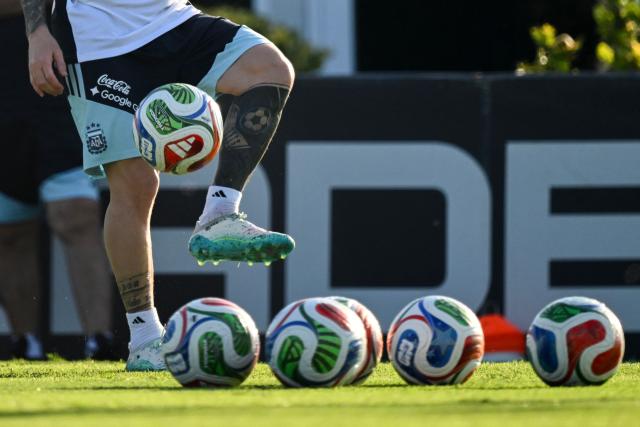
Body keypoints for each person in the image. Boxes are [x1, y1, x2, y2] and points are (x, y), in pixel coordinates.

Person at [21, 0, 296, 370]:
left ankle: (219, 215)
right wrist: (37, 33)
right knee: (134, 185)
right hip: (98, 42)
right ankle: (145, 338)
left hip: (172, 19)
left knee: (270, 69)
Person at [1, 1, 116, 361]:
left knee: (75, 214)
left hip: (60, 65)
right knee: (9, 229)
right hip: (5, 88)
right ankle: (26, 343)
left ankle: (100, 340)